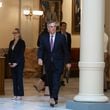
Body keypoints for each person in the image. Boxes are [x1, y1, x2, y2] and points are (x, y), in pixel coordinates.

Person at [38, 21, 71, 107]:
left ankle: (53, 97)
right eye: (51, 27)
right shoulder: (43, 38)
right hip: (48, 63)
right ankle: (54, 98)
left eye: (54, 26)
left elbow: (66, 51)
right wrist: (40, 58)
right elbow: (41, 49)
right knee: (50, 81)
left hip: (58, 63)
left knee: (56, 80)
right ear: (48, 28)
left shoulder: (61, 37)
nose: (53, 28)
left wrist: (67, 62)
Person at [8, 28, 25, 100]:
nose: (14, 34)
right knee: (14, 79)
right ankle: (15, 94)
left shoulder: (22, 42)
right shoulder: (11, 42)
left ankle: (20, 94)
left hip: (19, 63)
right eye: (13, 33)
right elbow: (9, 52)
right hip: (12, 63)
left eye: (16, 33)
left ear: (19, 34)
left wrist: (16, 63)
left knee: (19, 79)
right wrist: (9, 61)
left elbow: (21, 54)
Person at [33, 25, 50, 96]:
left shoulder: (41, 34)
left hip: (43, 56)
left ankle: (40, 85)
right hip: (48, 56)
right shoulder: (48, 35)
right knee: (48, 73)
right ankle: (46, 90)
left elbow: (38, 44)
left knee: (47, 72)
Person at [59, 22, 71, 86]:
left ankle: (61, 80)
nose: (64, 27)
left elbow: (69, 46)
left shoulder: (68, 35)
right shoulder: (58, 34)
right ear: (60, 27)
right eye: (63, 26)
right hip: (59, 54)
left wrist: (69, 55)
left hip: (66, 54)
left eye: (65, 26)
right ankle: (60, 80)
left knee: (64, 68)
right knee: (60, 68)